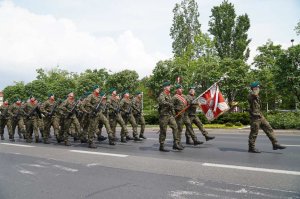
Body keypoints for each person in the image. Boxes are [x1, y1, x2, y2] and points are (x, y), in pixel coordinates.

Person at [248, 81, 286, 153]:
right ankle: (251, 148)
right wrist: (255, 90)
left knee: (269, 129)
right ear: (254, 88)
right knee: (254, 133)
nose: (259, 88)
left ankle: (275, 144)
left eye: (259, 87)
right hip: (255, 118)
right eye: (258, 87)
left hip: (260, 116)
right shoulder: (251, 95)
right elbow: (254, 94)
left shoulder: (257, 95)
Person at [157, 81, 183, 152]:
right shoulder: (162, 94)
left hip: (170, 115)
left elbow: (171, 105)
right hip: (164, 115)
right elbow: (162, 102)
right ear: (165, 87)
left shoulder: (169, 95)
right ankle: (161, 145)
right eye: (168, 86)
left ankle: (175, 144)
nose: (170, 87)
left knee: (175, 127)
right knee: (163, 131)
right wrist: (169, 104)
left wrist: (173, 113)